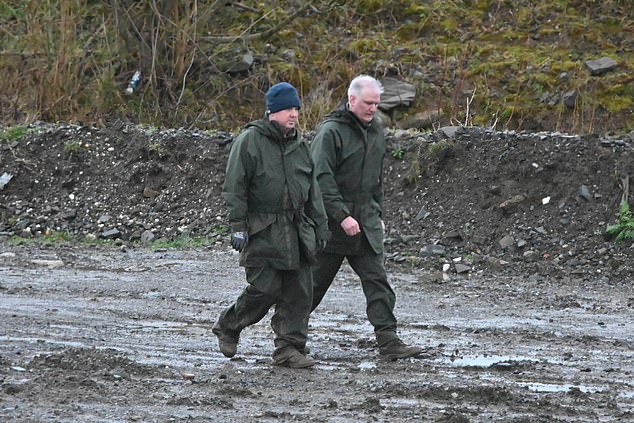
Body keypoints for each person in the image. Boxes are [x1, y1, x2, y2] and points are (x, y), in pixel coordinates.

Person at [212, 82, 329, 368]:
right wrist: (237, 225)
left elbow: (312, 188)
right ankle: (229, 325)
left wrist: (321, 226)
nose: (294, 114)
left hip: (297, 228)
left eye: (296, 109)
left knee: (299, 291)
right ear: (272, 112)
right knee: (264, 289)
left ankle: (289, 348)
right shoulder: (250, 141)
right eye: (288, 109)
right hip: (263, 228)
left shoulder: (301, 145)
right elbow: (235, 186)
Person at [309, 75, 422, 360]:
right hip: (333, 228)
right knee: (311, 287)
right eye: (368, 103)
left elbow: (376, 179)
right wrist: (341, 216)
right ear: (352, 100)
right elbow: (320, 180)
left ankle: (388, 341)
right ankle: (288, 339)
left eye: (376, 104)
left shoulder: (376, 130)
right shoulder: (330, 133)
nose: (373, 109)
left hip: (366, 223)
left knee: (378, 283)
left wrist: (377, 213)